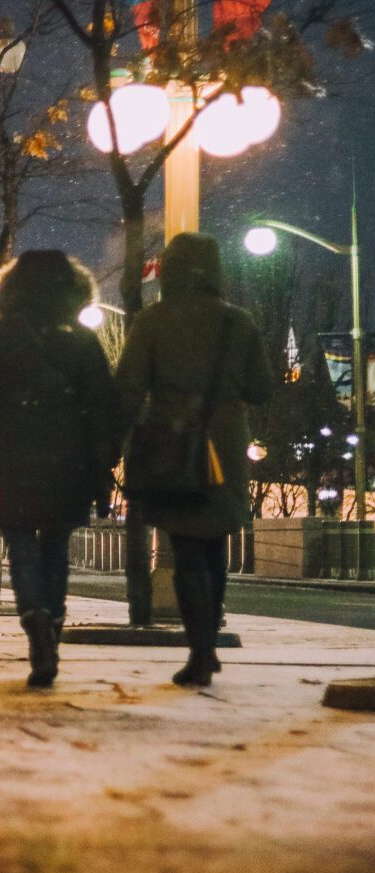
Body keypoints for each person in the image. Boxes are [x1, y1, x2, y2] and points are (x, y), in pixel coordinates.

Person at [116, 233, 275, 687]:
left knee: (186, 548)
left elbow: (128, 387)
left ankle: (200, 649)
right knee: (214, 547)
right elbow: (261, 388)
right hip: (224, 446)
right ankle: (208, 638)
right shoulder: (237, 323)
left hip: (172, 443)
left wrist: (113, 441)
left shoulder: (153, 321)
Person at [0, 250, 121, 687]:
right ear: (73, 289)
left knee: (20, 542)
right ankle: (52, 617)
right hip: (68, 455)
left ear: (12, 289)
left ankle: (32, 615)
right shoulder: (81, 339)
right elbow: (103, 407)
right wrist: (104, 462)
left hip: (11, 451)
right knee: (55, 545)